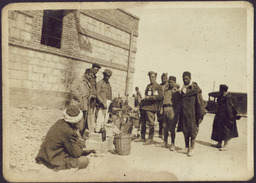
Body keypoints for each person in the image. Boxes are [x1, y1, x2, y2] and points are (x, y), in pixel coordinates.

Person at [35, 105, 96, 171]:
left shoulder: (60, 122)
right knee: (84, 160)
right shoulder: (69, 132)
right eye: (80, 121)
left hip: (44, 156)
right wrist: (80, 142)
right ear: (76, 122)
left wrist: (87, 151)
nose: (80, 122)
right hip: (52, 160)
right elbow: (76, 154)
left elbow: (68, 146)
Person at [177, 71, 205, 157]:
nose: (185, 80)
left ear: (190, 78)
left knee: (193, 131)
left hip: (193, 114)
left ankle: (192, 148)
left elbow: (200, 102)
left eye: (187, 79)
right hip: (184, 114)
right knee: (185, 131)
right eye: (184, 79)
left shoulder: (195, 89)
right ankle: (186, 147)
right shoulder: (183, 89)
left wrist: (200, 114)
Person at [135, 71, 163, 145]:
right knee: (143, 123)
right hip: (145, 107)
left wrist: (149, 98)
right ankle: (142, 137)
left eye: (153, 77)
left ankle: (150, 139)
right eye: (150, 77)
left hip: (151, 107)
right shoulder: (148, 86)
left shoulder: (158, 86)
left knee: (151, 123)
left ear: (155, 77)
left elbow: (160, 97)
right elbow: (145, 96)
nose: (151, 78)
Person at [211, 84, 239, 151]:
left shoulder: (228, 97)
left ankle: (225, 145)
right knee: (218, 128)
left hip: (227, 117)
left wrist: (229, 118)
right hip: (220, 116)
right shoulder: (222, 96)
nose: (219, 91)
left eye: (220, 89)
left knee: (226, 130)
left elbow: (229, 109)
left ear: (223, 90)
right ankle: (219, 143)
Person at [158, 76, 181, 151]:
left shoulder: (176, 91)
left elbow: (178, 104)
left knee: (172, 128)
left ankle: (173, 144)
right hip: (165, 108)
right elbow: (163, 100)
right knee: (165, 126)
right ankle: (165, 142)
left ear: (174, 83)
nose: (170, 83)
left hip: (172, 109)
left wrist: (176, 114)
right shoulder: (166, 90)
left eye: (172, 82)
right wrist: (161, 109)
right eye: (169, 82)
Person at [70, 68, 94, 138]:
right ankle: (74, 137)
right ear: (86, 73)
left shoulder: (88, 82)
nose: (90, 77)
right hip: (77, 104)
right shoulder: (79, 80)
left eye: (92, 76)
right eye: (90, 75)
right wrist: (80, 98)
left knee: (82, 123)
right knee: (75, 121)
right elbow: (73, 89)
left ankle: (79, 137)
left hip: (85, 105)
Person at [95, 69, 113, 133]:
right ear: (104, 75)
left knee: (106, 117)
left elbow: (110, 93)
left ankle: (102, 130)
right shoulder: (100, 83)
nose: (107, 77)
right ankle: (97, 130)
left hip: (108, 102)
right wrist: (102, 102)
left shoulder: (108, 83)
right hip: (102, 102)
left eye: (109, 76)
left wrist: (111, 102)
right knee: (100, 116)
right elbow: (97, 94)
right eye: (106, 76)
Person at [88, 63, 101, 132]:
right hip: (89, 97)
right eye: (95, 69)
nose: (96, 71)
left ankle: (90, 127)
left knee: (91, 112)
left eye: (97, 70)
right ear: (92, 68)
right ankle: (89, 128)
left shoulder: (94, 77)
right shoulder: (89, 76)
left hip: (93, 98)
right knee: (89, 112)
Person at [157, 73, 168, 138]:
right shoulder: (159, 86)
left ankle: (164, 132)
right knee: (160, 118)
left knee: (165, 118)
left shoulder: (168, 85)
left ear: (167, 78)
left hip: (166, 104)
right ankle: (160, 132)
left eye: (164, 78)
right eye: (162, 78)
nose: (163, 79)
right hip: (160, 104)